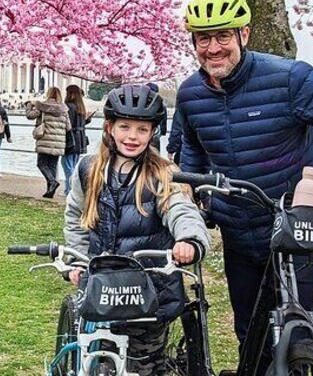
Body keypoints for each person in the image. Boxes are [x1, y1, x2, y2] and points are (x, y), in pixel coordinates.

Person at [175, 0, 313, 368]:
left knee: (297, 325)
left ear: (244, 34)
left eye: (223, 35)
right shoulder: (191, 94)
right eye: (203, 38)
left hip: (294, 223)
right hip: (237, 228)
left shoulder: (290, 78)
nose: (213, 48)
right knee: (250, 330)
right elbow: (192, 149)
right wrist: (193, 192)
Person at [64, 84, 210, 375]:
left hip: (149, 293)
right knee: (92, 358)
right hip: (101, 287)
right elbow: (75, 218)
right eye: (125, 127)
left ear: (152, 132)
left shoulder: (162, 173)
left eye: (142, 129)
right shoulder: (88, 169)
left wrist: (189, 240)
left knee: (146, 367)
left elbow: (180, 209)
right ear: (110, 127)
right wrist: (75, 259)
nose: (132, 136)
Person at [26, 86, 71, 198]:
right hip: (59, 141)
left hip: (45, 139)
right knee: (52, 166)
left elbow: (30, 116)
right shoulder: (64, 109)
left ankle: (52, 182)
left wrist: (29, 105)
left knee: (41, 163)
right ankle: (50, 191)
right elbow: (68, 127)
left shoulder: (42, 106)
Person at [62, 85, 93, 194]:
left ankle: (71, 189)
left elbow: (68, 124)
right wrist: (88, 119)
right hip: (80, 139)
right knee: (74, 165)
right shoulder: (81, 107)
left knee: (67, 165)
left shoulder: (69, 106)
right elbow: (81, 123)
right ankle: (68, 189)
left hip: (71, 139)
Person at [146, 82, 167, 152]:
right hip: (156, 133)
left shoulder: (141, 103)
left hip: (143, 132)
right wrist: (163, 131)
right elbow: (164, 120)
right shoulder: (161, 105)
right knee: (155, 153)